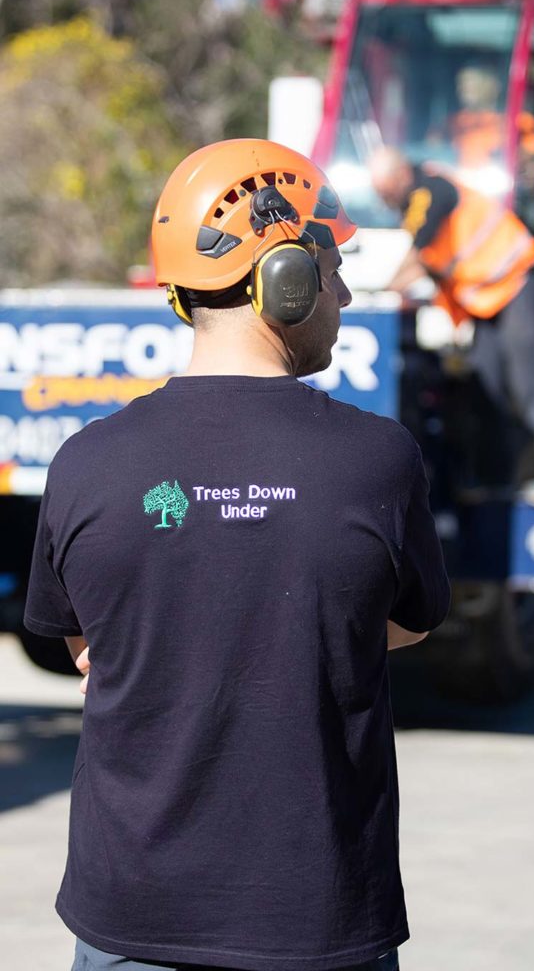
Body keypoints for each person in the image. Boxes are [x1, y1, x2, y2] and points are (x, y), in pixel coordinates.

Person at [24, 139, 451, 971]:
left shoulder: (85, 460)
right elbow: (403, 628)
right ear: (284, 279)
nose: (346, 290)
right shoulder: (378, 460)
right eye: (332, 268)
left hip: (127, 922)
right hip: (318, 926)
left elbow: (85, 649)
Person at [368, 146, 534, 505]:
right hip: (486, 303)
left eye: (385, 190)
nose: (383, 199)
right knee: (485, 385)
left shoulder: (430, 191)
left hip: (514, 283)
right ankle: (495, 480)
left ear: (400, 175)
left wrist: (381, 294)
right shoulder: (413, 204)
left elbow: (419, 257)